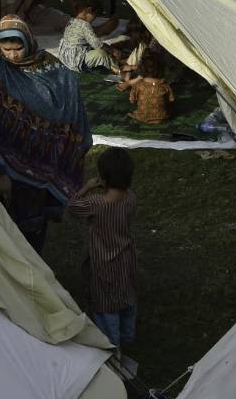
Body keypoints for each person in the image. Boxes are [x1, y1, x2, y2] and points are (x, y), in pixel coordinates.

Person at [0, 15, 93, 253]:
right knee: (4, 225)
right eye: (6, 49)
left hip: (41, 161)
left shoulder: (49, 67)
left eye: (18, 48)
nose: (13, 55)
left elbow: (66, 85)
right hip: (4, 166)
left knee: (33, 222)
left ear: (28, 42)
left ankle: (34, 264)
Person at [69, 148, 138, 362]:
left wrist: (87, 187)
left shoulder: (95, 204)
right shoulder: (131, 198)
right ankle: (127, 336)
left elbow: (72, 206)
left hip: (103, 266)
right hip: (126, 261)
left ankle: (112, 348)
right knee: (127, 300)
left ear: (104, 179)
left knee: (106, 308)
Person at [58, 0, 120, 73]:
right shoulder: (85, 25)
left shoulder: (72, 21)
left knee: (96, 49)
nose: (94, 19)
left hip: (64, 58)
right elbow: (97, 44)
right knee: (100, 54)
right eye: (95, 15)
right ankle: (117, 68)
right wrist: (113, 50)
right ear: (89, 11)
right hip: (76, 61)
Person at [127, 54, 175, 125]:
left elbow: (132, 100)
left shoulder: (137, 85)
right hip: (162, 117)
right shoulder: (165, 85)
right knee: (171, 107)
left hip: (142, 117)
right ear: (161, 69)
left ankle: (143, 114)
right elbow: (172, 99)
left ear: (141, 69)